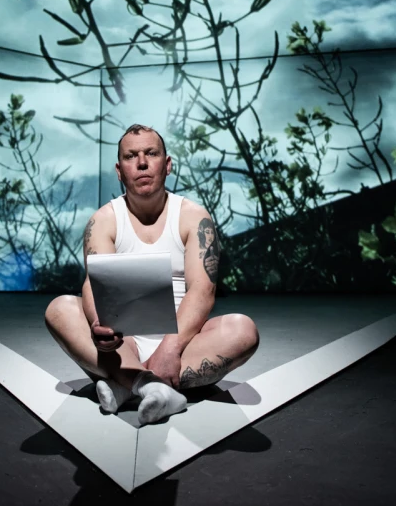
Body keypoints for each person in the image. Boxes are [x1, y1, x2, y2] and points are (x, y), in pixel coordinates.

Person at [44, 124, 260, 425]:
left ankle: (125, 386)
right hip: (123, 341)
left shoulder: (193, 216)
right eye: (132, 156)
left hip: (184, 340)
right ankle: (151, 387)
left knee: (243, 330)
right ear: (120, 171)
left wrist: (170, 347)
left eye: (151, 153)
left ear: (167, 164)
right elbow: (94, 283)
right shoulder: (104, 220)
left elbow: (202, 291)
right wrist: (100, 326)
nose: (142, 162)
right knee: (59, 309)